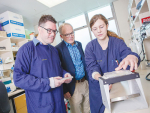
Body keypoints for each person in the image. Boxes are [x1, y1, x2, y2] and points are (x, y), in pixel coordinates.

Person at [13, 15, 72, 113]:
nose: (52, 34)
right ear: (39, 29)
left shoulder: (54, 50)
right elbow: (18, 79)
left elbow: (58, 68)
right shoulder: (26, 50)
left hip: (59, 105)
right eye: (49, 30)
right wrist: (48, 83)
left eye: (54, 31)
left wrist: (64, 74)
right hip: (41, 107)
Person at [85, 14, 140, 113]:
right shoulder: (90, 47)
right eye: (95, 29)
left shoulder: (117, 43)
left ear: (107, 25)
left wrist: (132, 56)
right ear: (92, 30)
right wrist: (101, 79)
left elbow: (127, 53)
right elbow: (92, 67)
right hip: (98, 91)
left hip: (118, 89)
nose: (99, 31)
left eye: (101, 27)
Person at [55, 23, 90, 113]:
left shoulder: (79, 44)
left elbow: (84, 63)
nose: (71, 36)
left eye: (72, 33)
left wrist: (88, 80)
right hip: (73, 86)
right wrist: (64, 90)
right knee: (76, 111)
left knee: (88, 109)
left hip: (85, 82)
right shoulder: (58, 49)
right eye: (67, 34)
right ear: (61, 36)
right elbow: (58, 70)